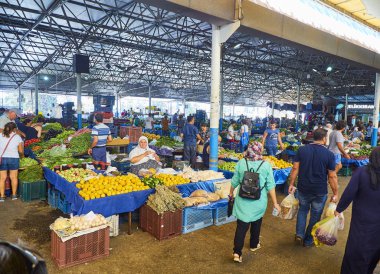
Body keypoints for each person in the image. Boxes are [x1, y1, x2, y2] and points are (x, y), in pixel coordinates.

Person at [230, 141, 281, 263]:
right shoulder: (266, 165)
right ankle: (253, 245)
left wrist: (231, 193)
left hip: (242, 201)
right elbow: (271, 186)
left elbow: (235, 181)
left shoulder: (242, 163)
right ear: (259, 151)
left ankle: (237, 253)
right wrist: (275, 203)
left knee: (241, 227)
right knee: (257, 222)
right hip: (259, 201)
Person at [288, 128, 338, 247]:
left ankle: (299, 234)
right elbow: (332, 176)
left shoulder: (302, 150)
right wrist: (335, 192)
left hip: (303, 188)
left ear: (313, 137)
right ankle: (308, 240)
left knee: (303, 210)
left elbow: (295, 168)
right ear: (324, 139)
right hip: (319, 191)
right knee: (315, 215)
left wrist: (291, 183)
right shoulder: (330, 155)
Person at [334, 147, 380, 274]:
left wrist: (339, 209)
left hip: (361, 221)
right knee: (374, 249)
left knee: (357, 247)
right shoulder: (362, 171)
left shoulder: (361, 172)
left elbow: (349, 193)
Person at [0, 122, 24, 201]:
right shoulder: (17, 137)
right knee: (13, 177)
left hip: (2, 158)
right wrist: (22, 156)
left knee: (2, 178)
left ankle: (2, 196)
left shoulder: (0, 135)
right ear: (14, 129)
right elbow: (20, 151)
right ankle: (14, 195)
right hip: (14, 158)